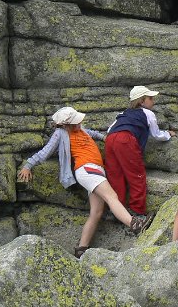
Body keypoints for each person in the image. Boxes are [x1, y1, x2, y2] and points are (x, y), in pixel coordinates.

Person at [17, 106, 150, 258]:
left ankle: (81, 249)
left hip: (95, 170)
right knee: (111, 196)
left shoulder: (81, 130)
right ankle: (135, 225)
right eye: (76, 122)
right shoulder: (60, 133)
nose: (79, 123)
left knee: (96, 212)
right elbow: (45, 152)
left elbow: (93, 133)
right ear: (66, 125)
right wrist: (28, 165)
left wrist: (105, 138)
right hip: (87, 170)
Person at [105, 85, 176, 218]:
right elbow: (156, 134)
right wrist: (168, 134)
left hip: (110, 140)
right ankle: (137, 211)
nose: (153, 101)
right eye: (150, 98)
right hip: (126, 139)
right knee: (136, 175)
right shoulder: (148, 113)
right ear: (142, 101)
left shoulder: (124, 113)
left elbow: (110, 129)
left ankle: (116, 211)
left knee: (115, 176)